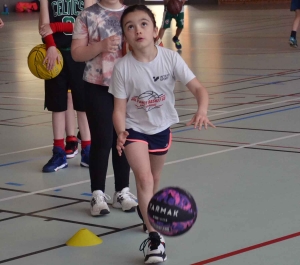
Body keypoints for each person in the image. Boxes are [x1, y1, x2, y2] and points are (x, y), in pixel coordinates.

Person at [109, 5, 215, 263]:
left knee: (154, 180)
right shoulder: (122, 67)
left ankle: (148, 217)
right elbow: (119, 109)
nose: (138, 30)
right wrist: (121, 131)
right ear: (125, 36)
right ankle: (156, 241)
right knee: (143, 180)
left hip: (161, 129)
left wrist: (202, 110)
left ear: (155, 30)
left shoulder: (170, 59)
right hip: (135, 129)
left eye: (143, 24)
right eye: (130, 26)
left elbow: (199, 89)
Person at [71, 0, 138, 216]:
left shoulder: (131, 14)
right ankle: (97, 194)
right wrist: (100, 46)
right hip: (96, 86)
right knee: (102, 139)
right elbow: (76, 53)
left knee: (123, 137)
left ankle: (122, 191)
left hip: (126, 87)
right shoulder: (87, 16)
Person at [38, 0, 92, 172]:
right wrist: (51, 46)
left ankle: (88, 151)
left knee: (83, 107)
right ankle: (59, 153)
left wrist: (56, 26)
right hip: (56, 55)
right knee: (58, 106)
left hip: (80, 55)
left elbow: (89, 23)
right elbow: (43, 26)